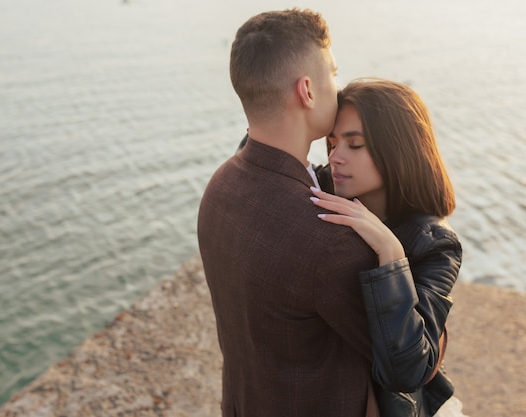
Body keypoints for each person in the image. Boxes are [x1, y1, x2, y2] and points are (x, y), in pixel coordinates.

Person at [197, 9, 380, 417]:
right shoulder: (327, 238)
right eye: (332, 73)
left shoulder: (220, 184)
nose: (339, 85)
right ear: (307, 91)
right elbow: (405, 361)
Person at [309, 78, 467, 417]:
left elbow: (406, 372)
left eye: (355, 145)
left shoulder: (435, 244)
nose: (335, 157)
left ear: (397, 150)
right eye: (333, 144)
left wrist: (391, 256)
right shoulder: (321, 187)